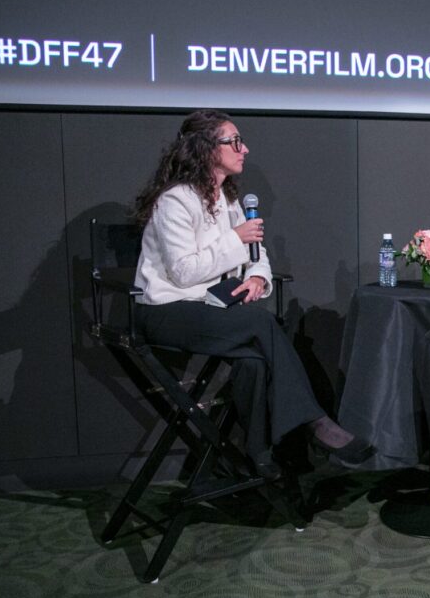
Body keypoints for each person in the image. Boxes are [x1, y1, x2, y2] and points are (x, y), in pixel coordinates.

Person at [132, 109, 374, 477]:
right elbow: (183, 273)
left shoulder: (228, 199)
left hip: (210, 306)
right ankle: (314, 422)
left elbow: (257, 257)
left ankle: (260, 456)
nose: (244, 149)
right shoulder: (175, 201)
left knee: (253, 361)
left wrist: (258, 278)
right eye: (234, 142)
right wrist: (236, 239)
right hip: (166, 310)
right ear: (205, 148)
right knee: (260, 323)